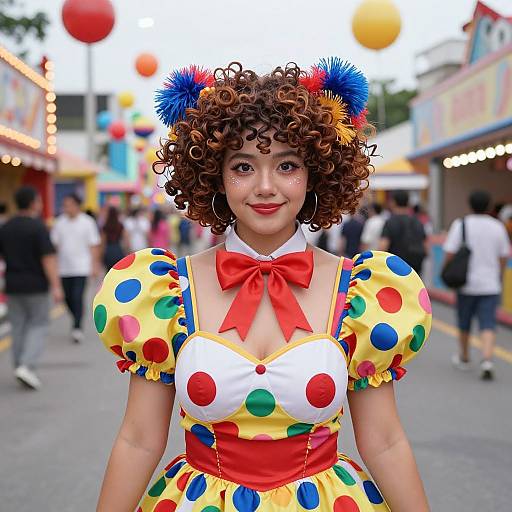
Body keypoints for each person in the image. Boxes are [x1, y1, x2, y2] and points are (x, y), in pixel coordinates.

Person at [93, 61, 432, 511]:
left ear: (315, 173)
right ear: (215, 174)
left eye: (286, 165)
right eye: (243, 166)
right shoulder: (169, 289)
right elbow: (138, 440)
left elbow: (385, 441)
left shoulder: (360, 291)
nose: (266, 187)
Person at [0, 186, 63, 389]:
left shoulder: (6, 227)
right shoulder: (38, 227)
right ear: (33, 202)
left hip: (12, 284)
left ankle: (19, 364)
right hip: (36, 285)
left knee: (17, 327)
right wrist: (56, 286)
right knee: (39, 324)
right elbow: (48, 258)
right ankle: (27, 366)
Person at [443, 190, 510, 380]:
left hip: (466, 284)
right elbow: (504, 255)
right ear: (489, 206)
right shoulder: (498, 226)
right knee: (487, 323)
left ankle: (464, 357)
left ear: (470, 204)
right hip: (490, 284)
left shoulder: (461, 224)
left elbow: (449, 252)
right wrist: (498, 274)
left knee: (464, 322)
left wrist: (446, 269)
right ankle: (487, 359)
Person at [51, 194, 101, 343]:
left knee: (77, 296)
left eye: (69, 204)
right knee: (67, 299)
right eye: (65, 205)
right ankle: (76, 318)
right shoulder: (59, 223)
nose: (67, 208)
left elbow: (94, 245)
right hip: (64, 268)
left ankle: (77, 327)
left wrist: (94, 265)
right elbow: (55, 245)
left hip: (81, 267)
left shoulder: (87, 222)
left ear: (77, 205)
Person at [379, 190, 427, 275]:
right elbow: (426, 246)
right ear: (408, 202)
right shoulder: (417, 221)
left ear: (393, 202)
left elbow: (383, 246)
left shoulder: (390, 222)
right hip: (415, 267)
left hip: (396, 267)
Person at [101, 206, 126, 271]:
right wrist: (127, 251)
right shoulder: (120, 226)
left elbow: (103, 243)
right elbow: (126, 240)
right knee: (118, 272)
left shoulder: (105, 226)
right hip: (118, 250)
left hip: (108, 251)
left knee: (109, 272)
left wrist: (101, 256)